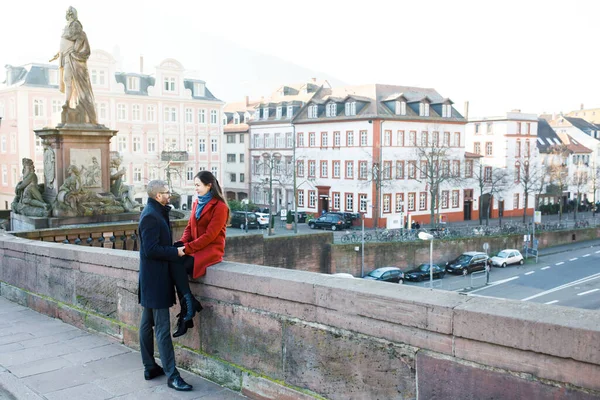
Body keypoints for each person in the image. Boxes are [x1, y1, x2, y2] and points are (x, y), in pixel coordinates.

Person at [138, 180, 192, 392]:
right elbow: (151, 249)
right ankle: (172, 375)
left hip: (151, 278)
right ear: (158, 195)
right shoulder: (151, 216)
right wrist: (175, 252)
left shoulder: (154, 211)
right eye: (167, 193)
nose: (170, 195)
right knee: (161, 328)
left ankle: (150, 367)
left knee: (146, 323)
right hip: (156, 279)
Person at [170, 171, 230, 337]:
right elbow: (189, 227)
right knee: (173, 262)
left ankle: (187, 311)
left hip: (210, 250)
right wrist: (182, 243)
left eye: (198, 185)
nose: (195, 188)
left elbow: (210, 236)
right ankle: (188, 308)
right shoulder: (196, 203)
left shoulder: (220, 207)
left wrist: (187, 249)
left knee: (178, 266)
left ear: (209, 185)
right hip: (196, 247)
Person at [49, 6, 97, 124]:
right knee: (66, 79)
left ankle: (69, 102)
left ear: (74, 15)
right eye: (68, 13)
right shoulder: (66, 27)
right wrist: (59, 53)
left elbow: (80, 38)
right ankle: (67, 102)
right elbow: (65, 42)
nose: (69, 15)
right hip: (64, 56)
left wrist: (74, 51)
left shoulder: (76, 25)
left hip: (71, 57)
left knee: (71, 80)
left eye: (71, 13)